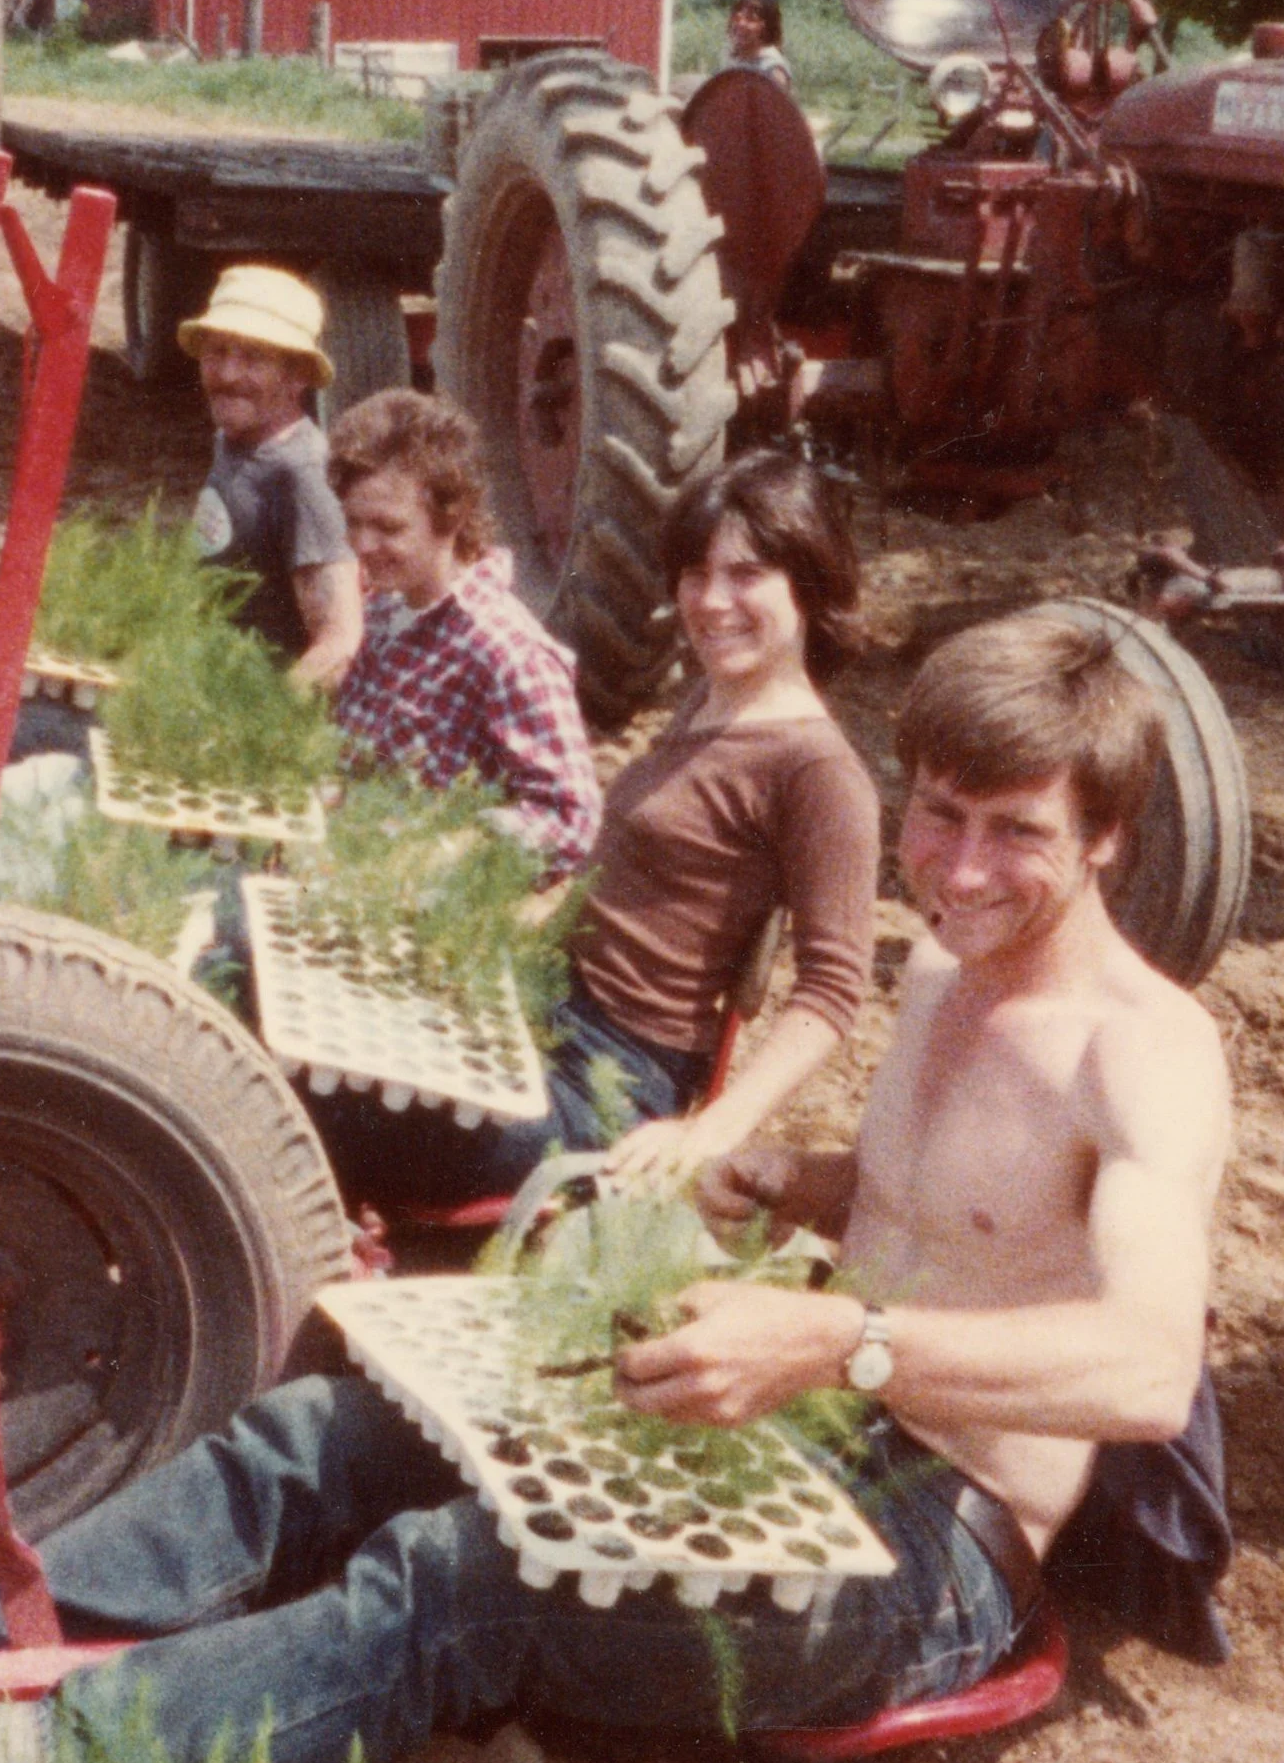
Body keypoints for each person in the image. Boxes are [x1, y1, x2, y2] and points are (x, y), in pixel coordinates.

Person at [0, 608, 1236, 1763]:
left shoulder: (1144, 1054)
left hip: (930, 1552)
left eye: (1018, 832)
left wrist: (833, 1346)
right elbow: (952, 1212)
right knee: (329, 1435)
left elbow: (1146, 1369)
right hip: (810, 1432)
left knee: (456, 1584)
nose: (958, 869)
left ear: (1108, 836)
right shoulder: (946, 969)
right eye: (938, 815)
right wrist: (789, 1179)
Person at [319, 447, 879, 1209]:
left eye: (746, 575)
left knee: (330, 1111)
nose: (712, 601)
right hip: (547, 1008)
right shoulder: (710, 702)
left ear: (810, 583)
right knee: (320, 1035)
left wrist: (710, 1131)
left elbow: (832, 991)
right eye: (695, 573)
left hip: (612, 1078)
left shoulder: (818, 770)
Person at [325, 388, 601, 879]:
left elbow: (572, 819)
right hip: (357, 877)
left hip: (434, 914)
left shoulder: (506, 649)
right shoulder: (387, 611)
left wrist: (453, 850)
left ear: (452, 517)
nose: (363, 545)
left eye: (389, 527)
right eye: (353, 523)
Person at [180, 264, 363, 689]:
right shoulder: (233, 441)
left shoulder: (303, 474)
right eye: (217, 352)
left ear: (297, 375)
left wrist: (261, 727)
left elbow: (338, 645)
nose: (227, 376)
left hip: (254, 719)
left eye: (253, 358)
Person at [728, 0, 794, 94]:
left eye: (751, 19)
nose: (741, 24)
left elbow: (778, 108)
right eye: (737, 18)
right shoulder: (737, 62)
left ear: (767, 27)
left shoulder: (772, 69)